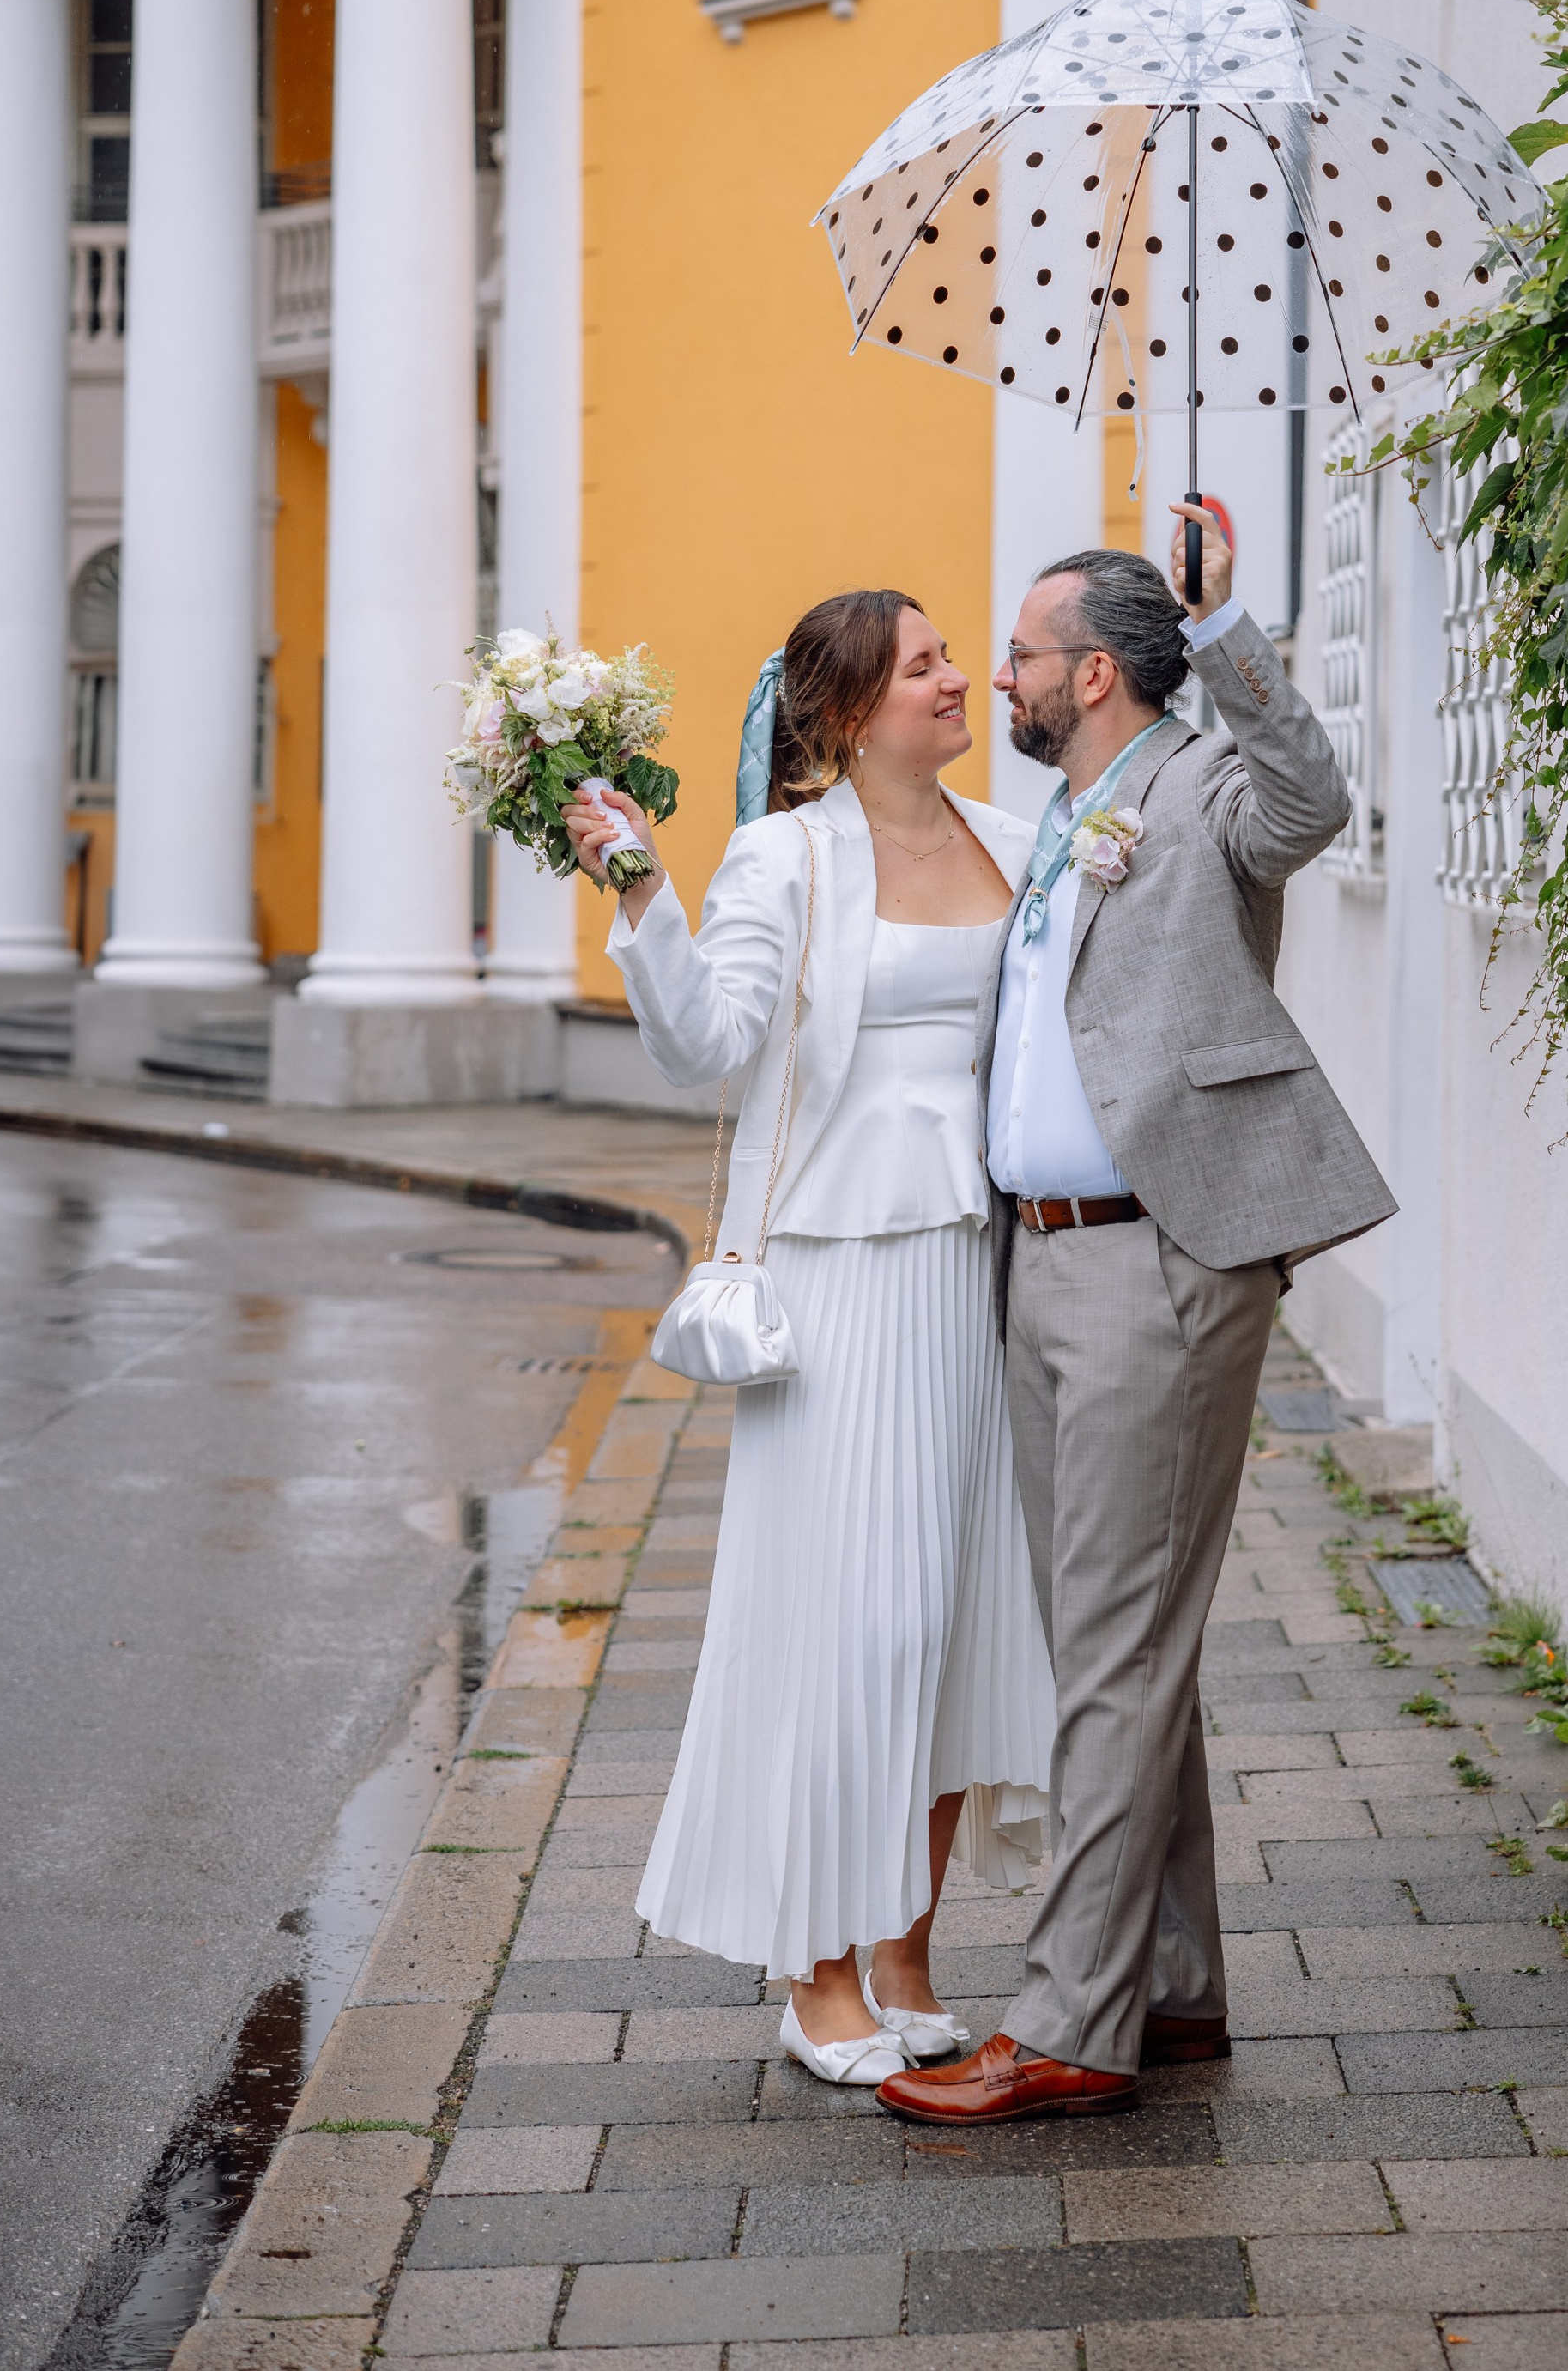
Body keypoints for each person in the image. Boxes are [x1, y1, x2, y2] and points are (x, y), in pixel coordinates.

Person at [875, 508, 1395, 2127]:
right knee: (1119, 1641)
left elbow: (1316, 799)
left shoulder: (1201, 790)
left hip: (1153, 1266)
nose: (1001, 675)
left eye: (1020, 652)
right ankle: (1168, 1986)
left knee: (1107, 1650)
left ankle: (1068, 2022)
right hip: (1042, 1264)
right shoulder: (1063, 814)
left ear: (1092, 671)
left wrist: (1228, 629)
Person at [566, 591, 1055, 2086]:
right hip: (836, 1283)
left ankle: (904, 1945)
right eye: (924, 667)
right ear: (845, 712)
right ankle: (814, 1967)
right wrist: (645, 897)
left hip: (977, 1265)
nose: (960, 678)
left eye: (953, 657)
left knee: (957, 1618)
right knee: (852, 1626)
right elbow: (708, 1044)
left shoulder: (1016, 839)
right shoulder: (786, 855)